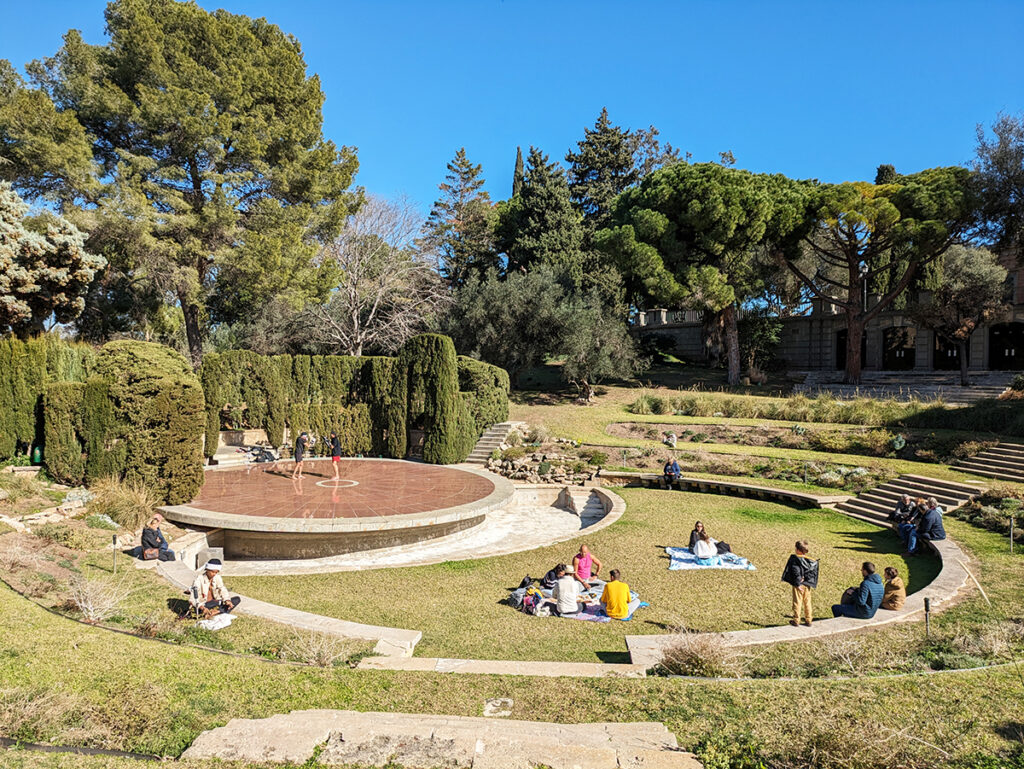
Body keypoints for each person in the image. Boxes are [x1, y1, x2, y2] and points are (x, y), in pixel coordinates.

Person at [781, 540, 818, 627]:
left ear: (797, 550)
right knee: (807, 602)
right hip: (807, 585)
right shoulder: (809, 561)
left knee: (797, 602)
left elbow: (796, 572)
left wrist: (797, 584)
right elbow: (812, 573)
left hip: (799, 585)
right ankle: (809, 620)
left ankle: (796, 620)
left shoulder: (795, 560)